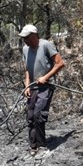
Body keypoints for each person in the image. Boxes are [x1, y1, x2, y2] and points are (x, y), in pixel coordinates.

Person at [18, 24, 65, 155]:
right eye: (24, 38)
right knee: (30, 115)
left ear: (34, 35)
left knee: (39, 114)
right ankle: (33, 146)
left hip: (46, 86)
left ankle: (42, 145)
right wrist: (26, 85)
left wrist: (45, 77)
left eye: (27, 37)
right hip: (32, 86)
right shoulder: (25, 49)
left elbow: (60, 63)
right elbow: (27, 69)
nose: (25, 40)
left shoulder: (45, 45)